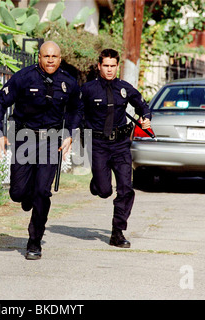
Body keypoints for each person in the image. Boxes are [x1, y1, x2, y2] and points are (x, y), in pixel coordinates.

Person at [0, 41, 83, 260]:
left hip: (51, 141)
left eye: (54, 57)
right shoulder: (23, 78)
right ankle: (26, 195)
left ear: (60, 59)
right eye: (46, 56)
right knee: (17, 193)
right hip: (25, 138)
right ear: (39, 58)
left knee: (43, 191)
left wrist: (69, 133)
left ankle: (34, 241)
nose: (50, 60)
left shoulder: (69, 82)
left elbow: (77, 109)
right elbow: (0, 102)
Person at [81, 49, 151, 248]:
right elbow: (75, 111)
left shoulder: (124, 87)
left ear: (117, 66)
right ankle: (97, 183)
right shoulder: (88, 89)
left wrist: (146, 118)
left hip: (120, 144)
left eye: (113, 66)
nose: (109, 70)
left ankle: (117, 232)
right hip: (98, 145)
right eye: (106, 66)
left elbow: (142, 106)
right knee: (104, 190)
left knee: (126, 188)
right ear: (99, 66)